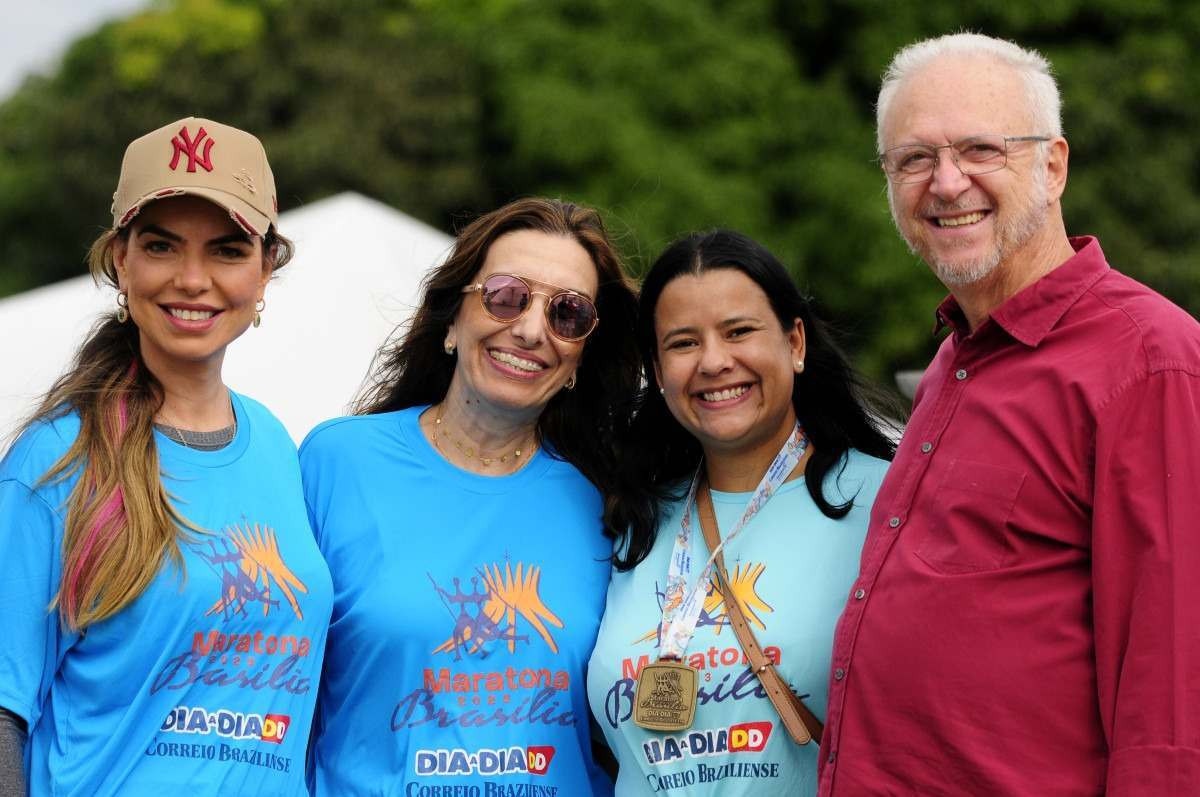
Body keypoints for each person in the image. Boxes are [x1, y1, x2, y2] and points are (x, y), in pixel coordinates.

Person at [819, 33, 1200, 795]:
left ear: (1053, 165)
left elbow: (1172, 698)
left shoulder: (1150, 361)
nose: (946, 182)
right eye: (913, 159)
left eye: (980, 149)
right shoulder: (951, 365)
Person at [0, 117, 333, 795]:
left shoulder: (275, 441)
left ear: (267, 267)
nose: (191, 279)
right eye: (161, 245)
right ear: (121, 259)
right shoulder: (55, 461)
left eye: (227, 250)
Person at [299, 197, 641, 795]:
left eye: (568, 314)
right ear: (452, 319)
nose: (532, 329)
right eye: (506, 295)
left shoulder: (612, 501)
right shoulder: (336, 462)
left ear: (582, 355)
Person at [586, 230, 897, 796]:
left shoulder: (889, 504)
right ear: (657, 373)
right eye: (683, 343)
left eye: (738, 332)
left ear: (795, 342)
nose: (713, 362)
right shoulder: (631, 518)